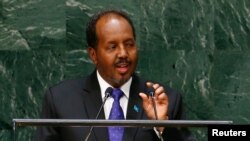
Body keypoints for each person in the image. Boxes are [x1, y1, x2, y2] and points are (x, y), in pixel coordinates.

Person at [36, 9, 195, 141]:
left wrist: (163, 126)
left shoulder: (166, 100)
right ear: (93, 54)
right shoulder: (60, 100)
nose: (123, 54)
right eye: (112, 47)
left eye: (129, 45)